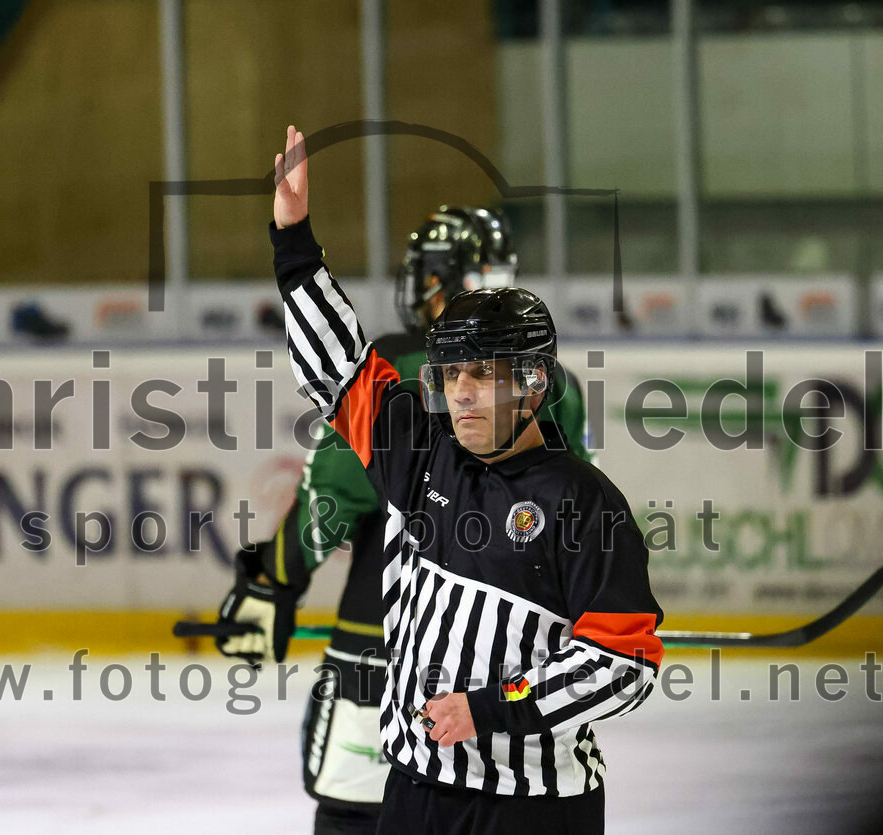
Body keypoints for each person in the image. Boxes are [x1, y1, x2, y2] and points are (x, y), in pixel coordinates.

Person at [264, 126, 663, 834]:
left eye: (484, 373)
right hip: (414, 791)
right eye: (451, 375)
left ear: (533, 382)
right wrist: (294, 243)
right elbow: (340, 368)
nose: (464, 393)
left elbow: (623, 664)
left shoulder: (584, 503)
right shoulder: (424, 457)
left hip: (533, 808)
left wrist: (493, 707)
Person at [215, 198, 593, 835]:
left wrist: (272, 580)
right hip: (516, 674)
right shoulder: (559, 385)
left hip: (386, 650)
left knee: (357, 817)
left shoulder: (401, 364)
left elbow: (333, 499)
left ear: (445, 278)